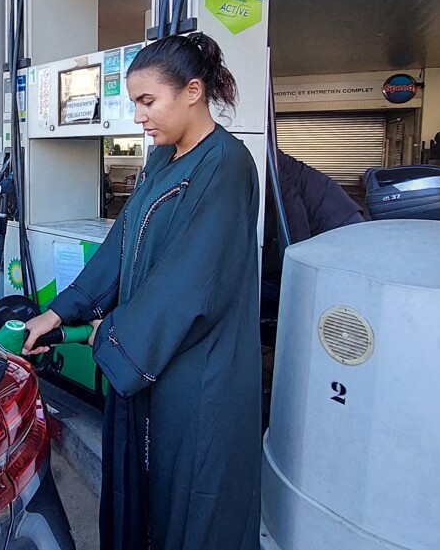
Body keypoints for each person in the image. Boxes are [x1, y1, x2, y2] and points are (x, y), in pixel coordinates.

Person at [23, 32, 262, 550]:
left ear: (193, 92)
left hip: (197, 373)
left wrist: (111, 335)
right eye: (135, 102)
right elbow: (121, 244)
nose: (139, 116)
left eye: (148, 101)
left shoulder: (227, 164)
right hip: (152, 356)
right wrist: (60, 314)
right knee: (143, 496)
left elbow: (192, 280)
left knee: (188, 498)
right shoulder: (160, 160)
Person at [275, 150, 364, 242]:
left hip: (336, 223)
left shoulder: (265, 162)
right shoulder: (267, 156)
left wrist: (299, 249)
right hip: (337, 216)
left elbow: (292, 208)